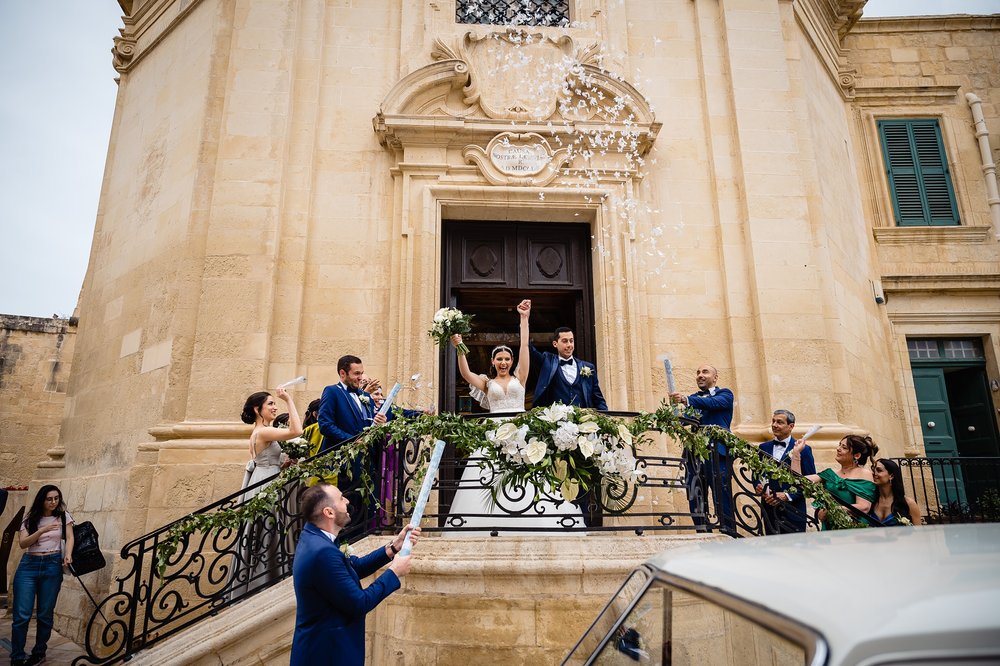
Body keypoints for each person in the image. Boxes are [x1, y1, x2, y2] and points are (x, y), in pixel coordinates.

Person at [449, 300, 584, 531]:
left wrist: (524, 318)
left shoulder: (520, 376)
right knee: (491, 476)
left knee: (529, 475)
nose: (503, 362)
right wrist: (459, 347)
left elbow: (523, 346)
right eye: (499, 359)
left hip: (521, 431)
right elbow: (465, 373)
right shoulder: (486, 382)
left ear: (511, 362)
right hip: (494, 435)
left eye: (506, 359)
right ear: (493, 361)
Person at [290, 483, 419, 666]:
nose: (347, 501)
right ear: (329, 512)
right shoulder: (322, 552)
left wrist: (393, 547)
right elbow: (359, 603)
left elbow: (354, 567)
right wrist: (394, 572)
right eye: (341, 498)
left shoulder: (316, 538)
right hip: (327, 655)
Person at [318, 356, 431, 521]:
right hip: (347, 462)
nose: (360, 377)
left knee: (369, 510)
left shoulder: (366, 397)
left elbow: (369, 424)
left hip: (370, 461)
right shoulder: (332, 391)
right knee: (350, 508)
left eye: (361, 373)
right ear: (342, 373)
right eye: (356, 373)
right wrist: (351, 440)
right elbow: (325, 424)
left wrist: (379, 422)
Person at [231, 388, 303, 597]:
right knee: (268, 531)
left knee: (267, 531)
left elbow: (267, 461)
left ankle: (265, 579)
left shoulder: (259, 432)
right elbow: (297, 430)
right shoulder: (262, 431)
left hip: (265, 479)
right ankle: (263, 582)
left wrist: (284, 464)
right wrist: (288, 399)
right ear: (257, 409)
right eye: (270, 404)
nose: (275, 407)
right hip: (266, 485)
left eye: (275, 403)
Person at [11, 485, 74, 666]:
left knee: (45, 614)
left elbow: (69, 537)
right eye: (49, 499)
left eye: (56, 498)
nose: (53, 502)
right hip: (28, 567)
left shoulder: (63, 516)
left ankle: (39, 652)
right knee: (22, 615)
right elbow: (23, 543)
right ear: (42, 500)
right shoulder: (30, 519)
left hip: (52, 566)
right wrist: (41, 531)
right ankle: (17, 656)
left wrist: (67, 554)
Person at [669, 364, 735, 535]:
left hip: (718, 453)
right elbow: (685, 421)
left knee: (722, 495)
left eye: (705, 372)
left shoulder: (725, 394)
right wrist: (674, 411)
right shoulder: (693, 398)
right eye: (697, 372)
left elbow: (713, 404)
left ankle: (729, 533)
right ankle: (702, 532)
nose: (700, 375)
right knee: (694, 494)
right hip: (694, 454)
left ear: (715, 377)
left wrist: (686, 400)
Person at [791, 434, 878, 527]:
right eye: (839, 445)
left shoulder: (864, 474)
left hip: (853, 529)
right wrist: (796, 453)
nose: (838, 448)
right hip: (830, 528)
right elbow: (799, 481)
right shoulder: (830, 474)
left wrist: (831, 510)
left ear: (856, 455)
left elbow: (864, 507)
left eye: (844, 447)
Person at [755, 409, 816, 534]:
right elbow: (756, 474)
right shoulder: (763, 448)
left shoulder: (804, 450)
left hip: (793, 511)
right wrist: (759, 487)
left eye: (779, 422)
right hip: (769, 509)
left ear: (791, 426)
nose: (774, 425)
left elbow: (810, 481)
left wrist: (787, 496)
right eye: (773, 421)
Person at [529, 326, 608, 411]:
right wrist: (524, 319)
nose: (569, 345)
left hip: (582, 420)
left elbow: (597, 397)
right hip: (556, 420)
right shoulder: (548, 361)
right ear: (555, 344)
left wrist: (607, 417)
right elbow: (530, 350)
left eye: (571, 341)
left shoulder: (588, 367)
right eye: (565, 341)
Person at [870, 458, 922, 526]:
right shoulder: (870, 501)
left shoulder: (909, 504)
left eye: (879, 470)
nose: (874, 473)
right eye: (873, 470)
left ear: (891, 476)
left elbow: (918, 533)